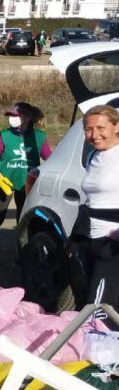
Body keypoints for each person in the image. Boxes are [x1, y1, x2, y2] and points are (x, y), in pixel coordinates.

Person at [0, 102, 52, 267]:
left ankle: (22, 255)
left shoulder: (39, 136)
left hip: (27, 184)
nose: (11, 118)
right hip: (4, 182)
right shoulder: (5, 135)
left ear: (28, 117)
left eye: (15, 116)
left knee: (23, 220)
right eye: (10, 115)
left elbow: (50, 159)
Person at [74, 105, 119, 307]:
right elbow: (93, 200)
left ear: (116, 126)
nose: (94, 135)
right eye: (89, 129)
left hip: (113, 244)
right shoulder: (94, 156)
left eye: (101, 128)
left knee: (99, 307)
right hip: (92, 241)